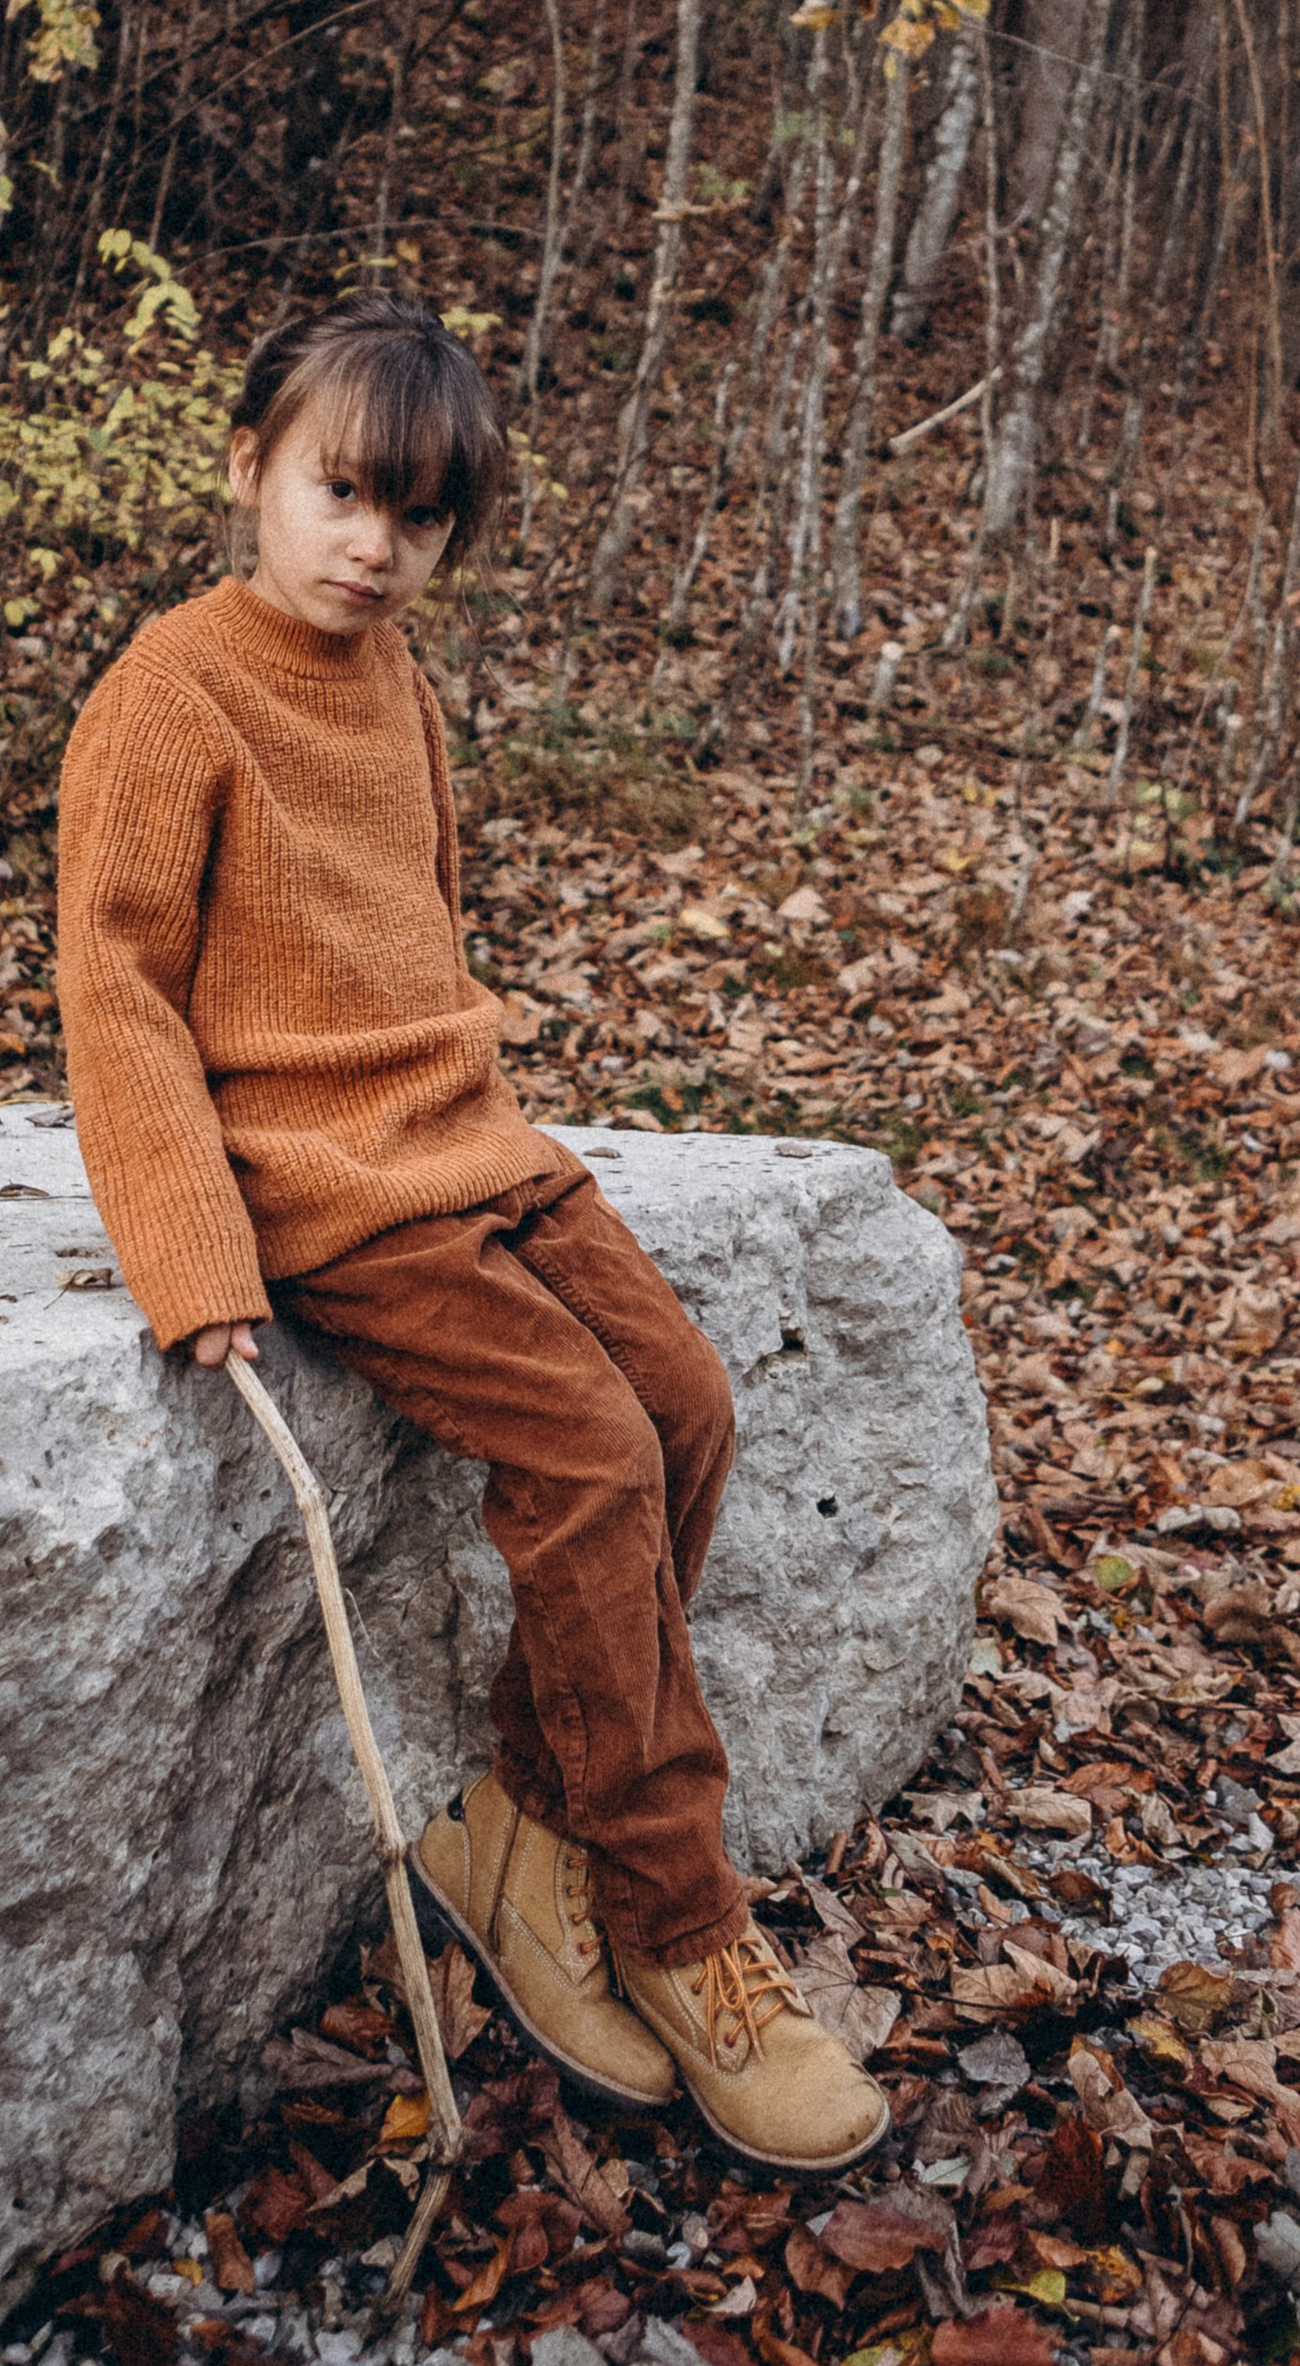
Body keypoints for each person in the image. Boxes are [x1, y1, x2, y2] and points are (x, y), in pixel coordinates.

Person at [56, 288, 887, 2172]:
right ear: (251, 466)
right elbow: (117, 988)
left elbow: (415, 933)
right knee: (587, 1449)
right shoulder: (169, 693)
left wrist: (483, 1119)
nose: (375, 546)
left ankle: (518, 1824)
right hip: (326, 1181)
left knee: (683, 1401)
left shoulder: (399, 684)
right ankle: (678, 1915)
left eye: (420, 517)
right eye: (342, 492)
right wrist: (192, 1254)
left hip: (466, 1136)